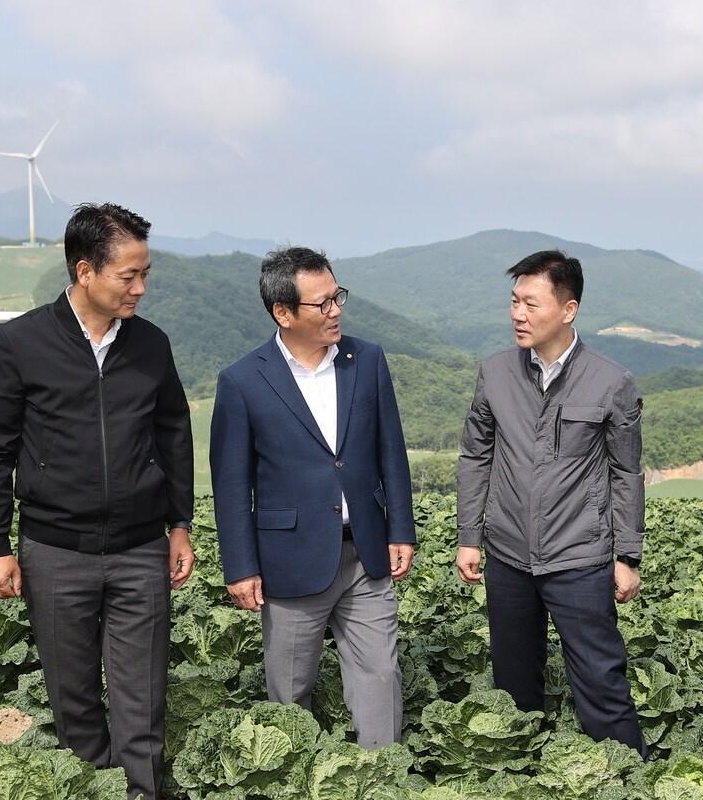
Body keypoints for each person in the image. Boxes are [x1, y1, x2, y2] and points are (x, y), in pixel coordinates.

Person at [0, 203, 194, 800]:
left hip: (141, 547)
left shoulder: (150, 344)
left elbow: (173, 433)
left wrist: (180, 523)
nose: (141, 288)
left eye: (146, 274)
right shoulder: (18, 343)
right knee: (72, 692)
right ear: (85, 269)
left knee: (141, 692)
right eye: (129, 276)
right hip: (54, 549)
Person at [210, 247, 415, 748]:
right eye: (321, 303)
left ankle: (382, 785)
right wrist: (240, 566)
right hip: (290, 559)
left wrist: (401, 528)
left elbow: (391, 448)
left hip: (364, 549)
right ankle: (294, 792)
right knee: (290, 689)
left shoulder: (366, 360)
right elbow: (232, 483)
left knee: (380, 676)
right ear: (283, 312)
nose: (336, 310)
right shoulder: (242, 380)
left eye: (337, 296)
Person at [456, 249, 646, 756]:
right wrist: (469, 537)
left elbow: (625, 472)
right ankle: (525, 787)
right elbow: (476, 456)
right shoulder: (494, 373)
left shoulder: (611, 381)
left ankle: (632, 784)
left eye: (531, 304)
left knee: (601, 684)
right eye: (514, 301)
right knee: (514, 685)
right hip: (509, 556)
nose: (518, 314)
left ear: (568, 309)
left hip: (579, 557)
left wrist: (626, 555)